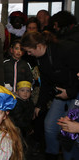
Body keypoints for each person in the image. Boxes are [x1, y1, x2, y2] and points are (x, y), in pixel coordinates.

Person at [21, 31, 79, 160]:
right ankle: (51, 154)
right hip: (60, 94)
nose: (29, 54)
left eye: (30, 51)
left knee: (67, 130)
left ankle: (69, 157)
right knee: (50, 125)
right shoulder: (40, 59)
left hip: (75, 94)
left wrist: (70, 92)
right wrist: (40, 105)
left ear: (39, 46)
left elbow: (77, 74)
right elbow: (46, 83)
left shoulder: (65, 50)